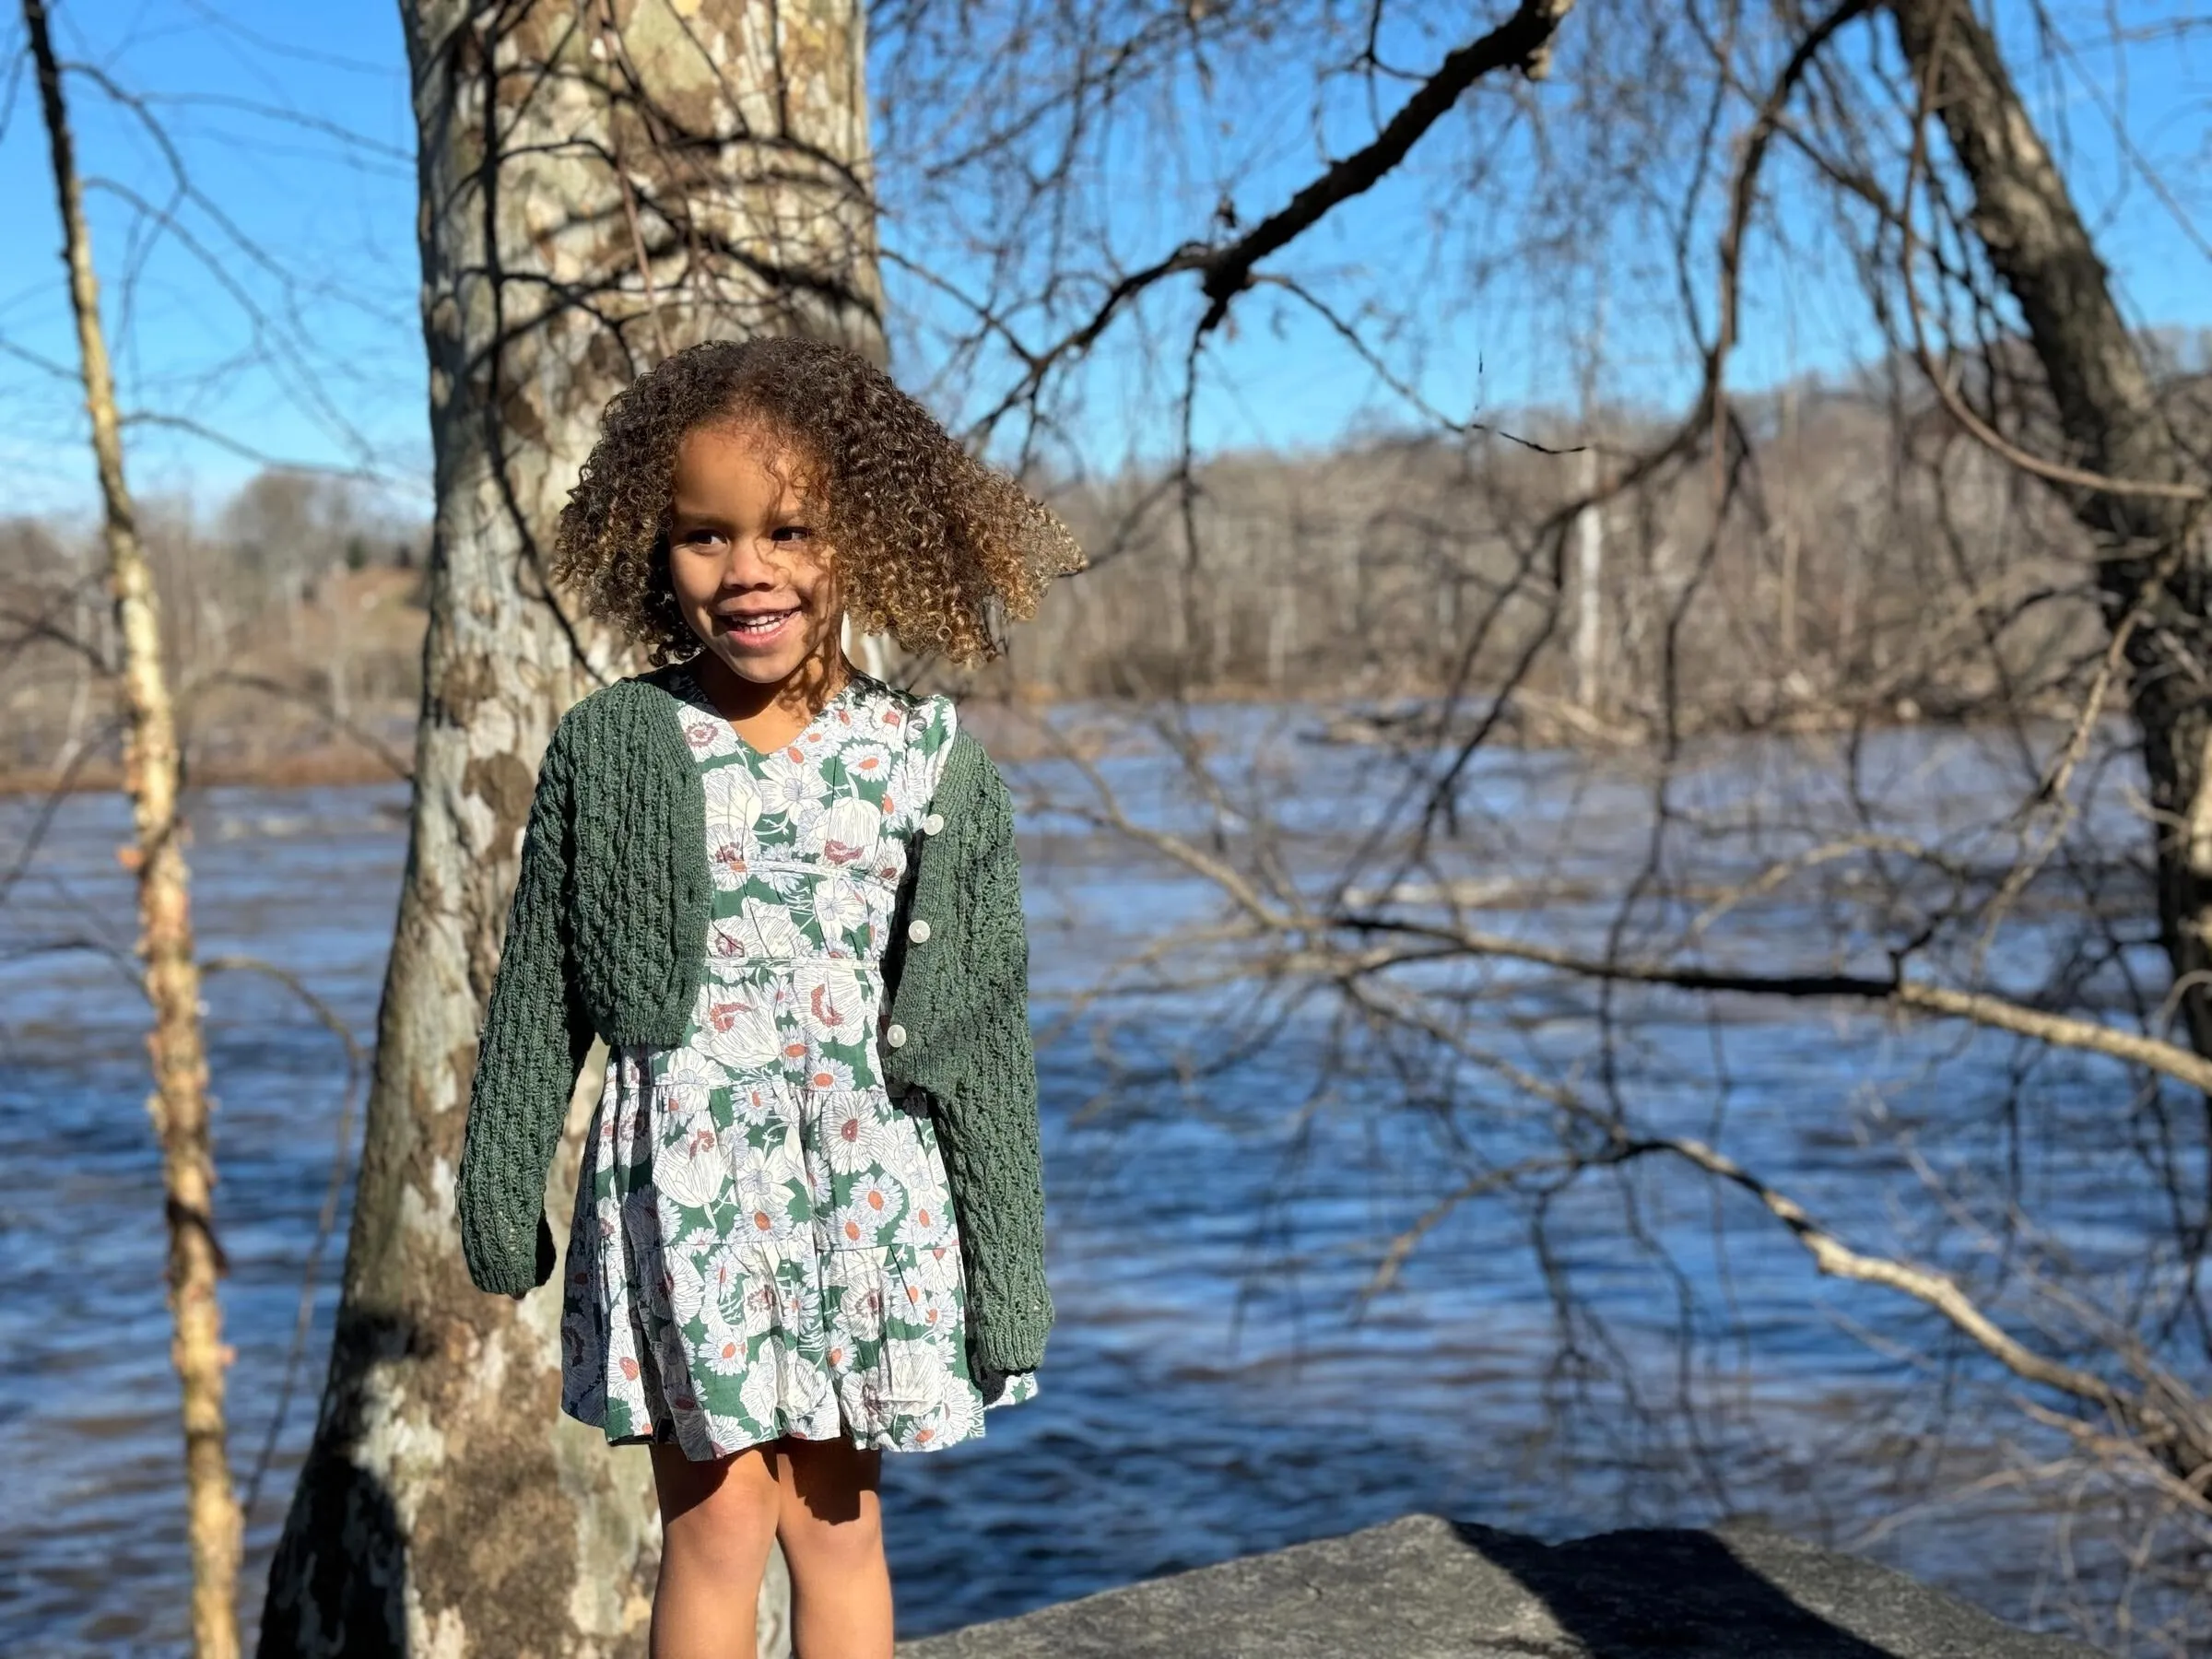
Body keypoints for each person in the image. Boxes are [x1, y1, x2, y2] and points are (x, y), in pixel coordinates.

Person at [453, 335, 1081, 1659]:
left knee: (838, 1525)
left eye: (789, 530)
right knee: (717, 1526)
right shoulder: (616, 744)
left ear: (862, 535)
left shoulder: (930, 762)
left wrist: (1007, 1265)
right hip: (689, 1187)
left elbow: (978, 1039)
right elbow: (538, 993)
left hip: (866, 1186)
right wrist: (503, 1179)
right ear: (654, 552)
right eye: (705, 537)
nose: (748, 571)